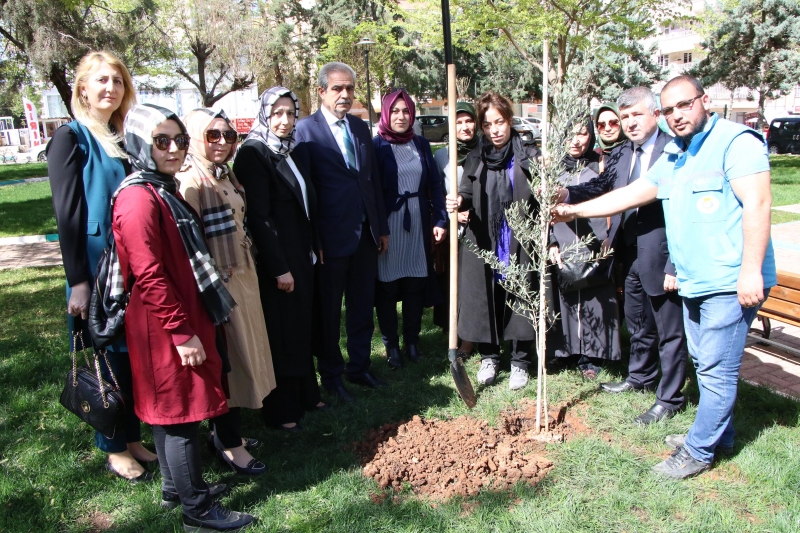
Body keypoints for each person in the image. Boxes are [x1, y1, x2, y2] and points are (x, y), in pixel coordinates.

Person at [553, 75, 775, 479]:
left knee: (715, 368)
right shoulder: (676, 153)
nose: (676, 115)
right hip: (695, 279)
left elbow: (758, 203)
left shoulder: (737, 141)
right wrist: (573, 212)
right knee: (705, 360)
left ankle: (697, 450)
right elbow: (633, 193)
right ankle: (719, 436)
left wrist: (750, 273)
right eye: (670, 109)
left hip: (729, 279)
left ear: (704, 101)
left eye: (683, 105)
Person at [113, 103, 255, 529]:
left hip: (182, 316)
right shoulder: (139, 198)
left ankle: (177, 490)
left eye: (179, 140)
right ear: (142, 145)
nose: (173, 148)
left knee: (173, 410)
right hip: (163, 324)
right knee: (179, 415)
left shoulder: (161, 188)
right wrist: (180, 332)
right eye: (161, 141)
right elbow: (149, 273)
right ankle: (198, 510)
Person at [47, 50, 158, 483]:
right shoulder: (70, 137)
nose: (110, 87)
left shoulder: (122, 135)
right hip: (96, 269)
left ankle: (130, 436)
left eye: (117, 80)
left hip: (130, 264)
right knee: (108, 360)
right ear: (82, 89)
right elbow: (68, 215)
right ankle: (112, 448)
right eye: (101, 80)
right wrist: (77, 281)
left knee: (130, 358)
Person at [557, 87, 688, 425]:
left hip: (661, 253)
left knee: (669, 330)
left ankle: (670, 397)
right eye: (624, 116)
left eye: (636, 115)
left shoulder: (673, 151)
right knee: (639, 321)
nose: (629, 122)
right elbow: (602, 187)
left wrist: (675, 262)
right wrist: (567, 193)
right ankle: (640, 377)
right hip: (627, 252)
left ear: (655, 115)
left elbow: (683, 213)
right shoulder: (621, 154)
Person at [175, 108, 275, 470]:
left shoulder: (224, 174)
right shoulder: (192, 181)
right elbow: (192, 246)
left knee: (245, 356)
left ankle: (230, 433)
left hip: (243, 277)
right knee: (228, 364)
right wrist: (216, 289)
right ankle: (229, 443)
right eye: (212, 135)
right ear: (196, 138)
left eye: (229, 135)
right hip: (219, 286)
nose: (222, 142)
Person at [233, 87, 327, 431]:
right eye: (276, 114)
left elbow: (306, 203)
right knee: (284, 332)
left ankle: (306, 393)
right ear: (264, 115)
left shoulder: (292, 151)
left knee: (302, 325)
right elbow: (260, 218)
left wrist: (315, 244)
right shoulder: (254, 153)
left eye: (289, 113)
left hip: (302, 256)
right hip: (280, 263)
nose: (284, 120)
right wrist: (279, 267)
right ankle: (282, 410)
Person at [294, 62, 390, 402]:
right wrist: (314, 240)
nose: (345, 95)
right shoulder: (305, 131)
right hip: (330, 240)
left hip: (365, 236)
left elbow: (371, 181)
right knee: (331, 313)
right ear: (321, 91)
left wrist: (380, 227)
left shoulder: (361, 128)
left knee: (363, 307)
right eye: (337, 88)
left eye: (349, 88)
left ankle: (359, 366)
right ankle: (332, 376)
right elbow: (304, 193)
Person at [445, 92, 541, 391]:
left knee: (519, 297)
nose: (494, 130)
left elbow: (541, 195)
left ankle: (520, 361)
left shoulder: (528, 154)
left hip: (518, 238)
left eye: (499, 122)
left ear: (509, 121)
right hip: (484, 238)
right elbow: (468, 192)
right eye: (487, 125)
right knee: (484, 297)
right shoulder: (476, 157)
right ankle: (489, 356)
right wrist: (458, 200)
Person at [372, 89, 447, 368]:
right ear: (386, 113)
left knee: (416, 284)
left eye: (405, 111)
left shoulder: (421, 144)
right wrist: (380, 229)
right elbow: (372, 193)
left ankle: (412, 341)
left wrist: (440, 220)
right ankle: (392, 346)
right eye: (395, 111)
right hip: (389, 225)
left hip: (417, 222)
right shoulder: (376, 146)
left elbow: (435, 185)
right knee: (388, 288)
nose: (401, 116)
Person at [548, 117, 621, 379]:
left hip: (594, 243)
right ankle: (563, 351)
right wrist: (551, 242)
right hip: (562, 242)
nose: (576, 140)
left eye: (582, 134)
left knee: (593, 299)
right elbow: (539, 211)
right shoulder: (550, 167)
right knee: (564, 298)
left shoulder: (600, 166)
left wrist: (609, 238)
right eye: (570, 133)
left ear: (590, 136)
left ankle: (590, 356)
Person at [432, 102, 479, 359]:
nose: (464, 127)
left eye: (468, 121)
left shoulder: (485, 151)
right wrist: (452, 214)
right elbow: (438, 193)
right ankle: (457, 332)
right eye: (458, 122)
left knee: (475, 284)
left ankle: (471, 340)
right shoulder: (442, 156)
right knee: (455, 283)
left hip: (480, 229)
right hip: (454, 230)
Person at [593, 103, 626, 173]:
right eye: (601, 125)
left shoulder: (634, 151)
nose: (607, 129)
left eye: (614, 123)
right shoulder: (594, 156)